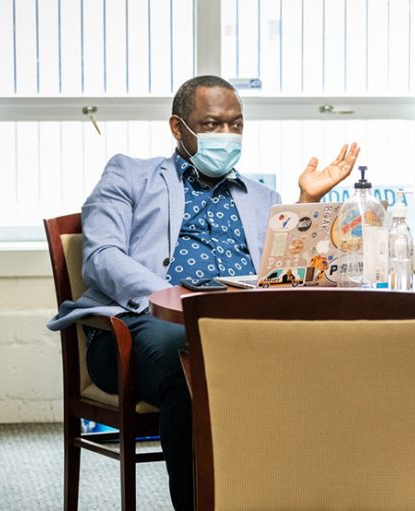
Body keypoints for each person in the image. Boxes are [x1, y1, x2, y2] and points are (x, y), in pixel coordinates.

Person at [46, 75, 359, 510]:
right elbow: (101, 256)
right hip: (141, 326)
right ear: (178, 128)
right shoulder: (130, 175)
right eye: (212, 124)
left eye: (236, 125)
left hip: (237, 328)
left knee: (321, 358)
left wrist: (305, 201)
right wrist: (174, 299)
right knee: (192, 362)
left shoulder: (263, 196)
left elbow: (281, 275)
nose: (226, 135)